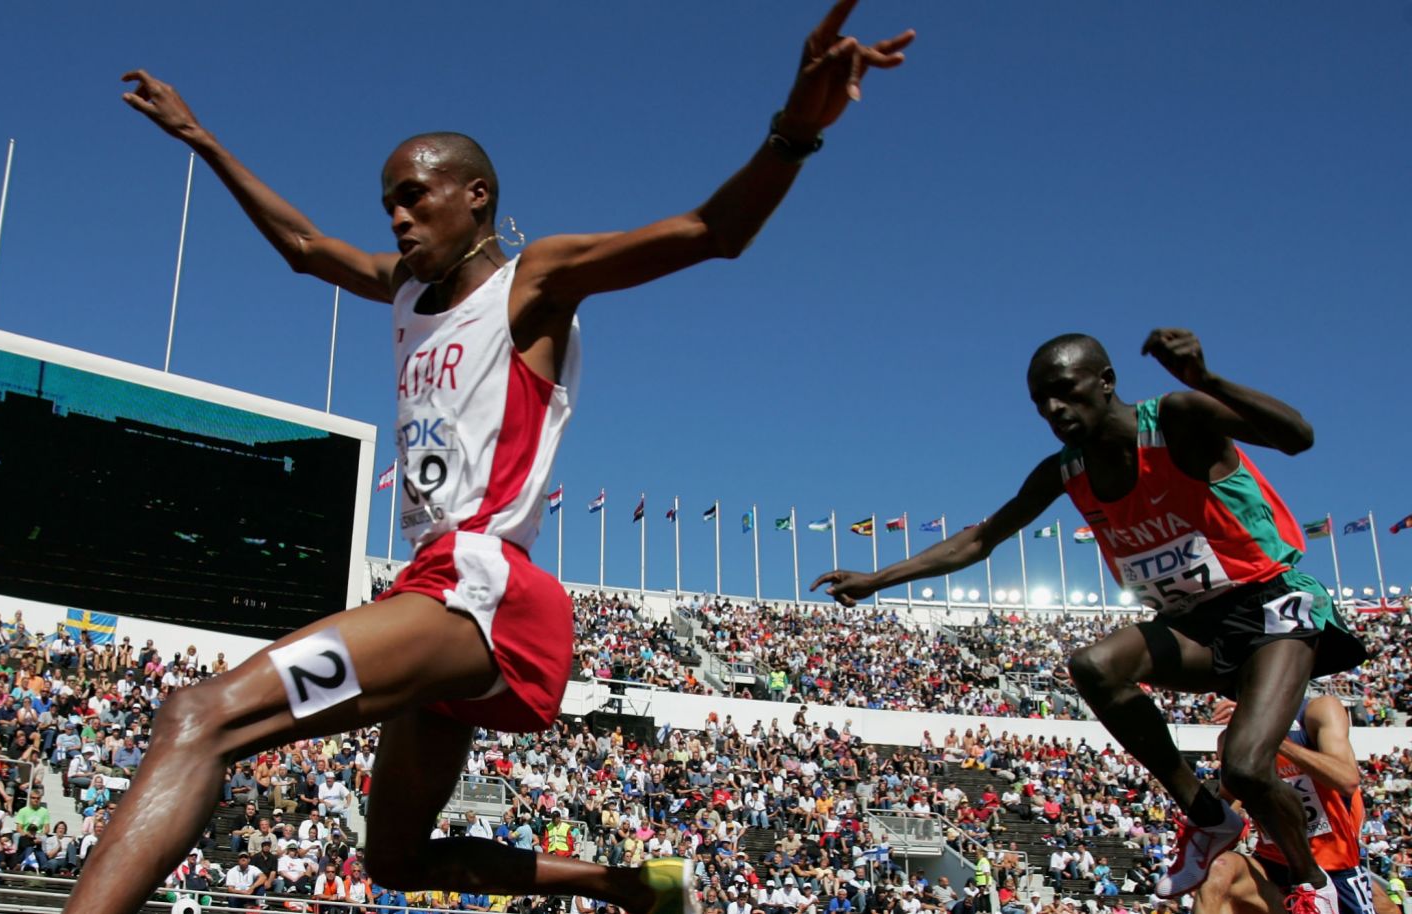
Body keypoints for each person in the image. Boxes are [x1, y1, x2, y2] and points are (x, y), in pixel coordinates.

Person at [68, 9, 912, 913]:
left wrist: (795, 131)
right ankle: (632, 887)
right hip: (426, 590)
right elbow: (307, 249)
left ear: (475, 196)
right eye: (387, 201)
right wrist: (200, 137)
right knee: (392, 861)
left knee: (196, 717)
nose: (395, 216)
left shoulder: (535, 280)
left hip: (478, 589)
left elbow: (712, 230)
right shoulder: (404, 290)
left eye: (413, 196)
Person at [812, 329, 1369, 910]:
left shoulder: (1175, 420)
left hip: (1269, 602)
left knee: (1248, 767)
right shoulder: (1065, 470)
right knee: (1094, 665)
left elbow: (1297, 436)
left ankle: (1313, 885)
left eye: (1063, 392)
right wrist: (877, 580)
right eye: (1040, 402)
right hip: (1197, 625)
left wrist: (1204, 380)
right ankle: (1208, 817)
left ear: (1105, 383)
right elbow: (980, 539)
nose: (1053, 410)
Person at [1195, 695, 1391, 914]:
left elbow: (1346, 779)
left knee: (1385, 905)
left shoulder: (1318, 710)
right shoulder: (1230, 739)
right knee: (1218, 872)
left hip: (1333, 867)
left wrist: (1272, 738)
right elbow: (1233, 799)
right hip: (1274, 864)